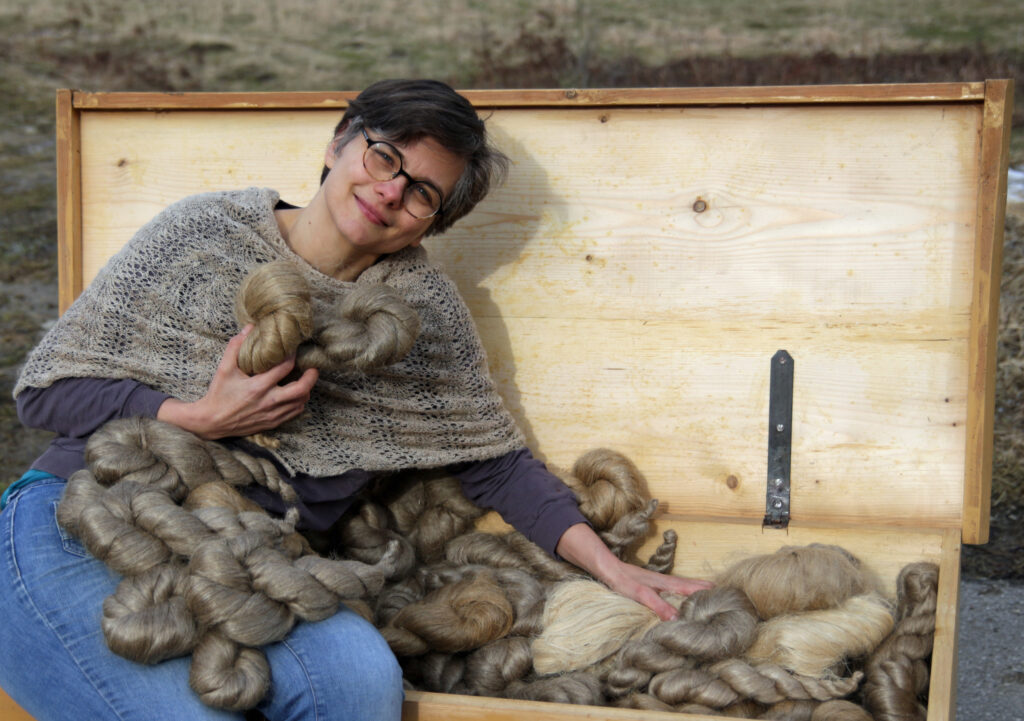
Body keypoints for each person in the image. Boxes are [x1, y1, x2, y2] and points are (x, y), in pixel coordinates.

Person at [0, 79, 711, 721]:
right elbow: (47, 395)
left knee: (363, 681)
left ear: (431, 223)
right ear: (340, 142)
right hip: (79, 522)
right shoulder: (203, 236)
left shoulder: (420, 317)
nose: (392, 191)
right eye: (384, 157)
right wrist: (195, 419)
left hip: (252, 568)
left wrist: (613, 567)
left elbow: (495, 463)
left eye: (424, 193)